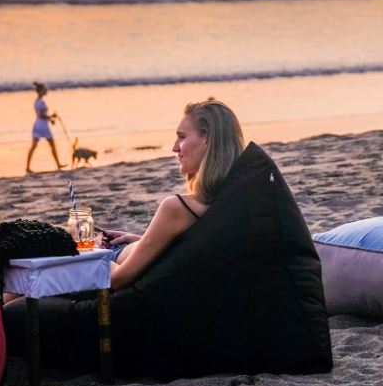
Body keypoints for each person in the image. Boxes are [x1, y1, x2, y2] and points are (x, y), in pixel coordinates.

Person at [100, 97, 244, 290]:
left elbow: (118, 278)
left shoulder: (178, 208)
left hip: (115, 263)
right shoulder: (239, 199)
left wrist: (94, 256)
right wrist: (145, 242)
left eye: (182, 137)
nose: (175, 147)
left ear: (207, 139)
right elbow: (191, 251)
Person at [25, 81, 65, 173]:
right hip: (42, 126)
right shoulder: (40, 102)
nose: (46, 90)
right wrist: (51, 117)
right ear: (41, 91)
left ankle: (27, 167)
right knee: (51, 145)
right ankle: (58, 164)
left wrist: (50, 119)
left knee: (34, 146)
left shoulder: (38, 101)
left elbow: (42, 115)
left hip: (39, 124)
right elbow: (41, 115)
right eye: (45, 89)